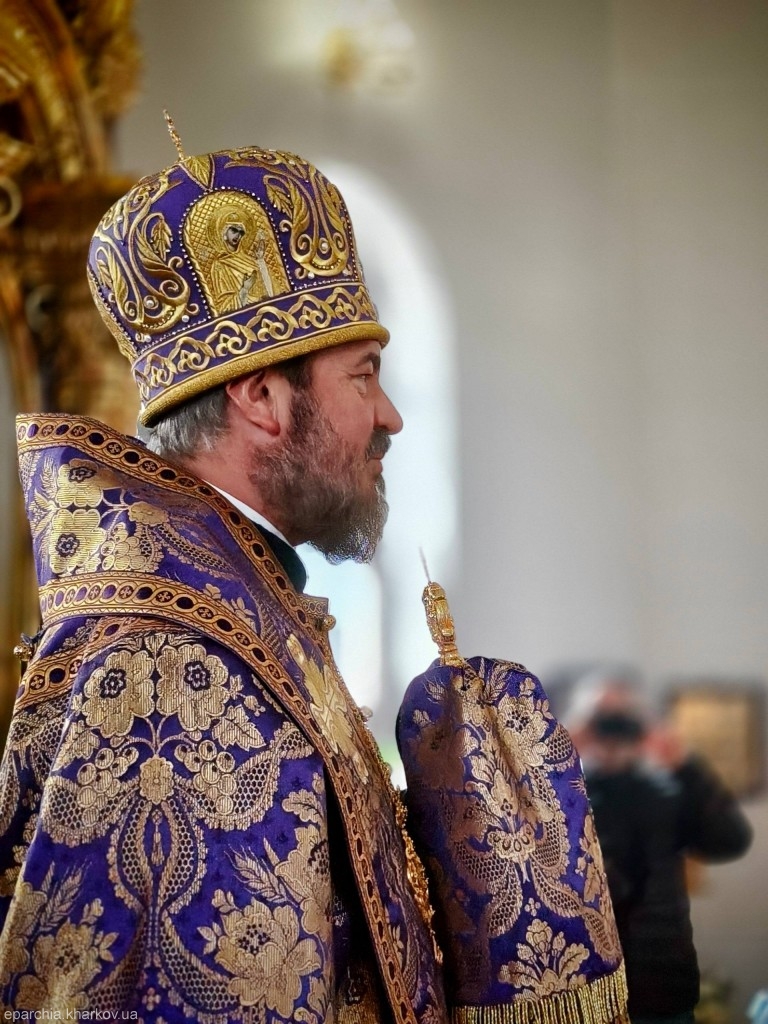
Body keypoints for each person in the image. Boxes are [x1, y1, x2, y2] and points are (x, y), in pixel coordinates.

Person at [0, 135, 628, 1024]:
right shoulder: (166, 663)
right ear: (262, 398)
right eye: (363, 377)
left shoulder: (243, 615)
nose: (390, 415)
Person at [569, 676, 753, 1024]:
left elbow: (730, 840)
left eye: (623, 717)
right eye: (602, 718)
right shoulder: (566, 795)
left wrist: (684, 764)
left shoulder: (669, 793)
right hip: (585, 980)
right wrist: (557, 759)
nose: (613, 728)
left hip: (662, 980)